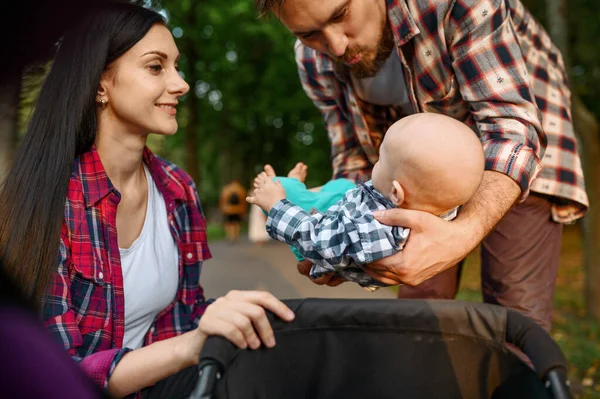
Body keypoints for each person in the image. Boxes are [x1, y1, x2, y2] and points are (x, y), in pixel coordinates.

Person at [0, 2, 294, 398]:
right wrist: (187, 348)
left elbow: (187, 314)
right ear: (101, 84)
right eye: (156, 67)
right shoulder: (51, 202)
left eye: (176, 66)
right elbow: (54, 372)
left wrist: (233, 313)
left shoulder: (178, 189)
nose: (181, 83)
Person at [255, 0, 589, 331]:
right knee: (420, 298)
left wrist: (463, 232)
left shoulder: (455, 3)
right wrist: (343, 241)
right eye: (310, 34)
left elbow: (510, 129)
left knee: (514, 304)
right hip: (417, 169)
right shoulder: (313, 61)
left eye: (341, 15)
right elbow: (353, 154)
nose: (336, 46)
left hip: (516, 140)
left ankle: (520, 380)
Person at [248, 113, 484, 291]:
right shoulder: (432, 202)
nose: (374, 165)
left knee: (285, 191)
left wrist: (276, 206)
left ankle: (291, 190)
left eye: (380, 159)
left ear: (396, 193)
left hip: (322, 239)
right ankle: (300, 191)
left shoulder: (375, 229)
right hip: (350, 210)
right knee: (342, 186)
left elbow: (319, 240)